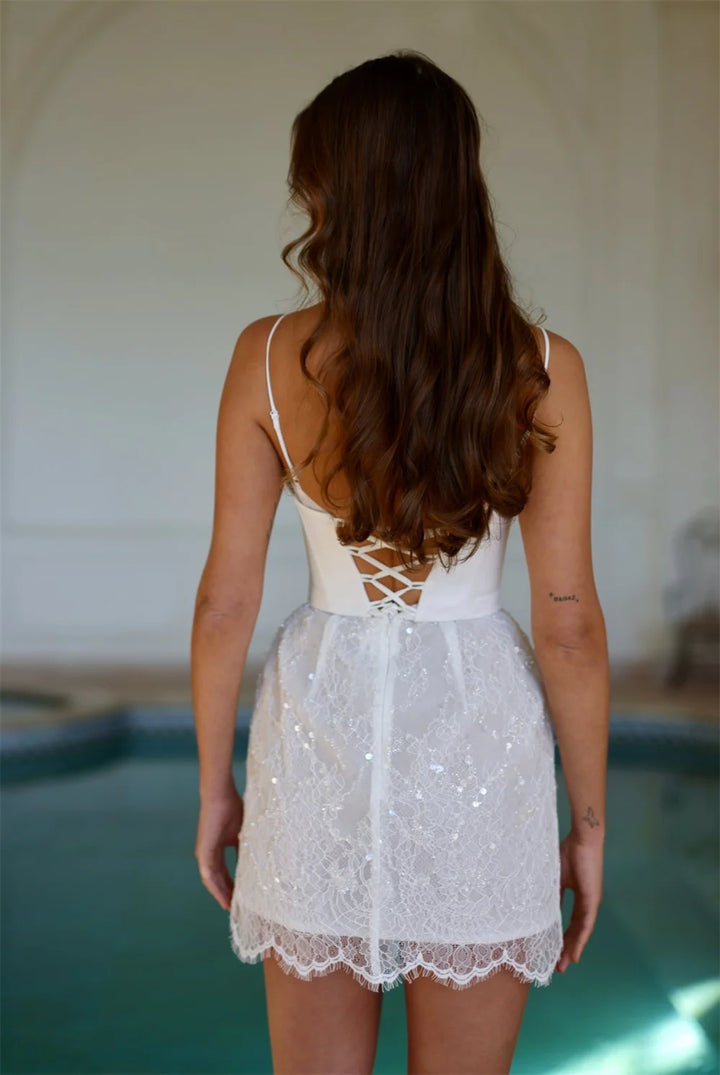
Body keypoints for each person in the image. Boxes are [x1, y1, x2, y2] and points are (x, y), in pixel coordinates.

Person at [191, 50, 609, 1075]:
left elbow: (224, 603)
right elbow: (567, 625)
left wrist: (215, 786)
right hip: (480, 738)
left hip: (319, 727)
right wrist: (590, 823)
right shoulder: (541, 370)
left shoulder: (267, 358)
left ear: (333, 189)